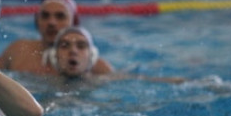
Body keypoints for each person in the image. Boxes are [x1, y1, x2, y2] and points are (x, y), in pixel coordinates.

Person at [0, 0, 112, 76]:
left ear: (74, 23)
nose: (51, 22)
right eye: (45, 16)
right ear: (37, 21)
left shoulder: (93, 66)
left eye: (60, 16)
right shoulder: (18, 50)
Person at [53, 26, 185, 84]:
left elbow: (143, 79)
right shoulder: (40, 81)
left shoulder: (104, 80)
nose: (73, 51)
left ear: (91, 57)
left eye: (81, 46)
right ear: (55, 56)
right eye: (65, 45)